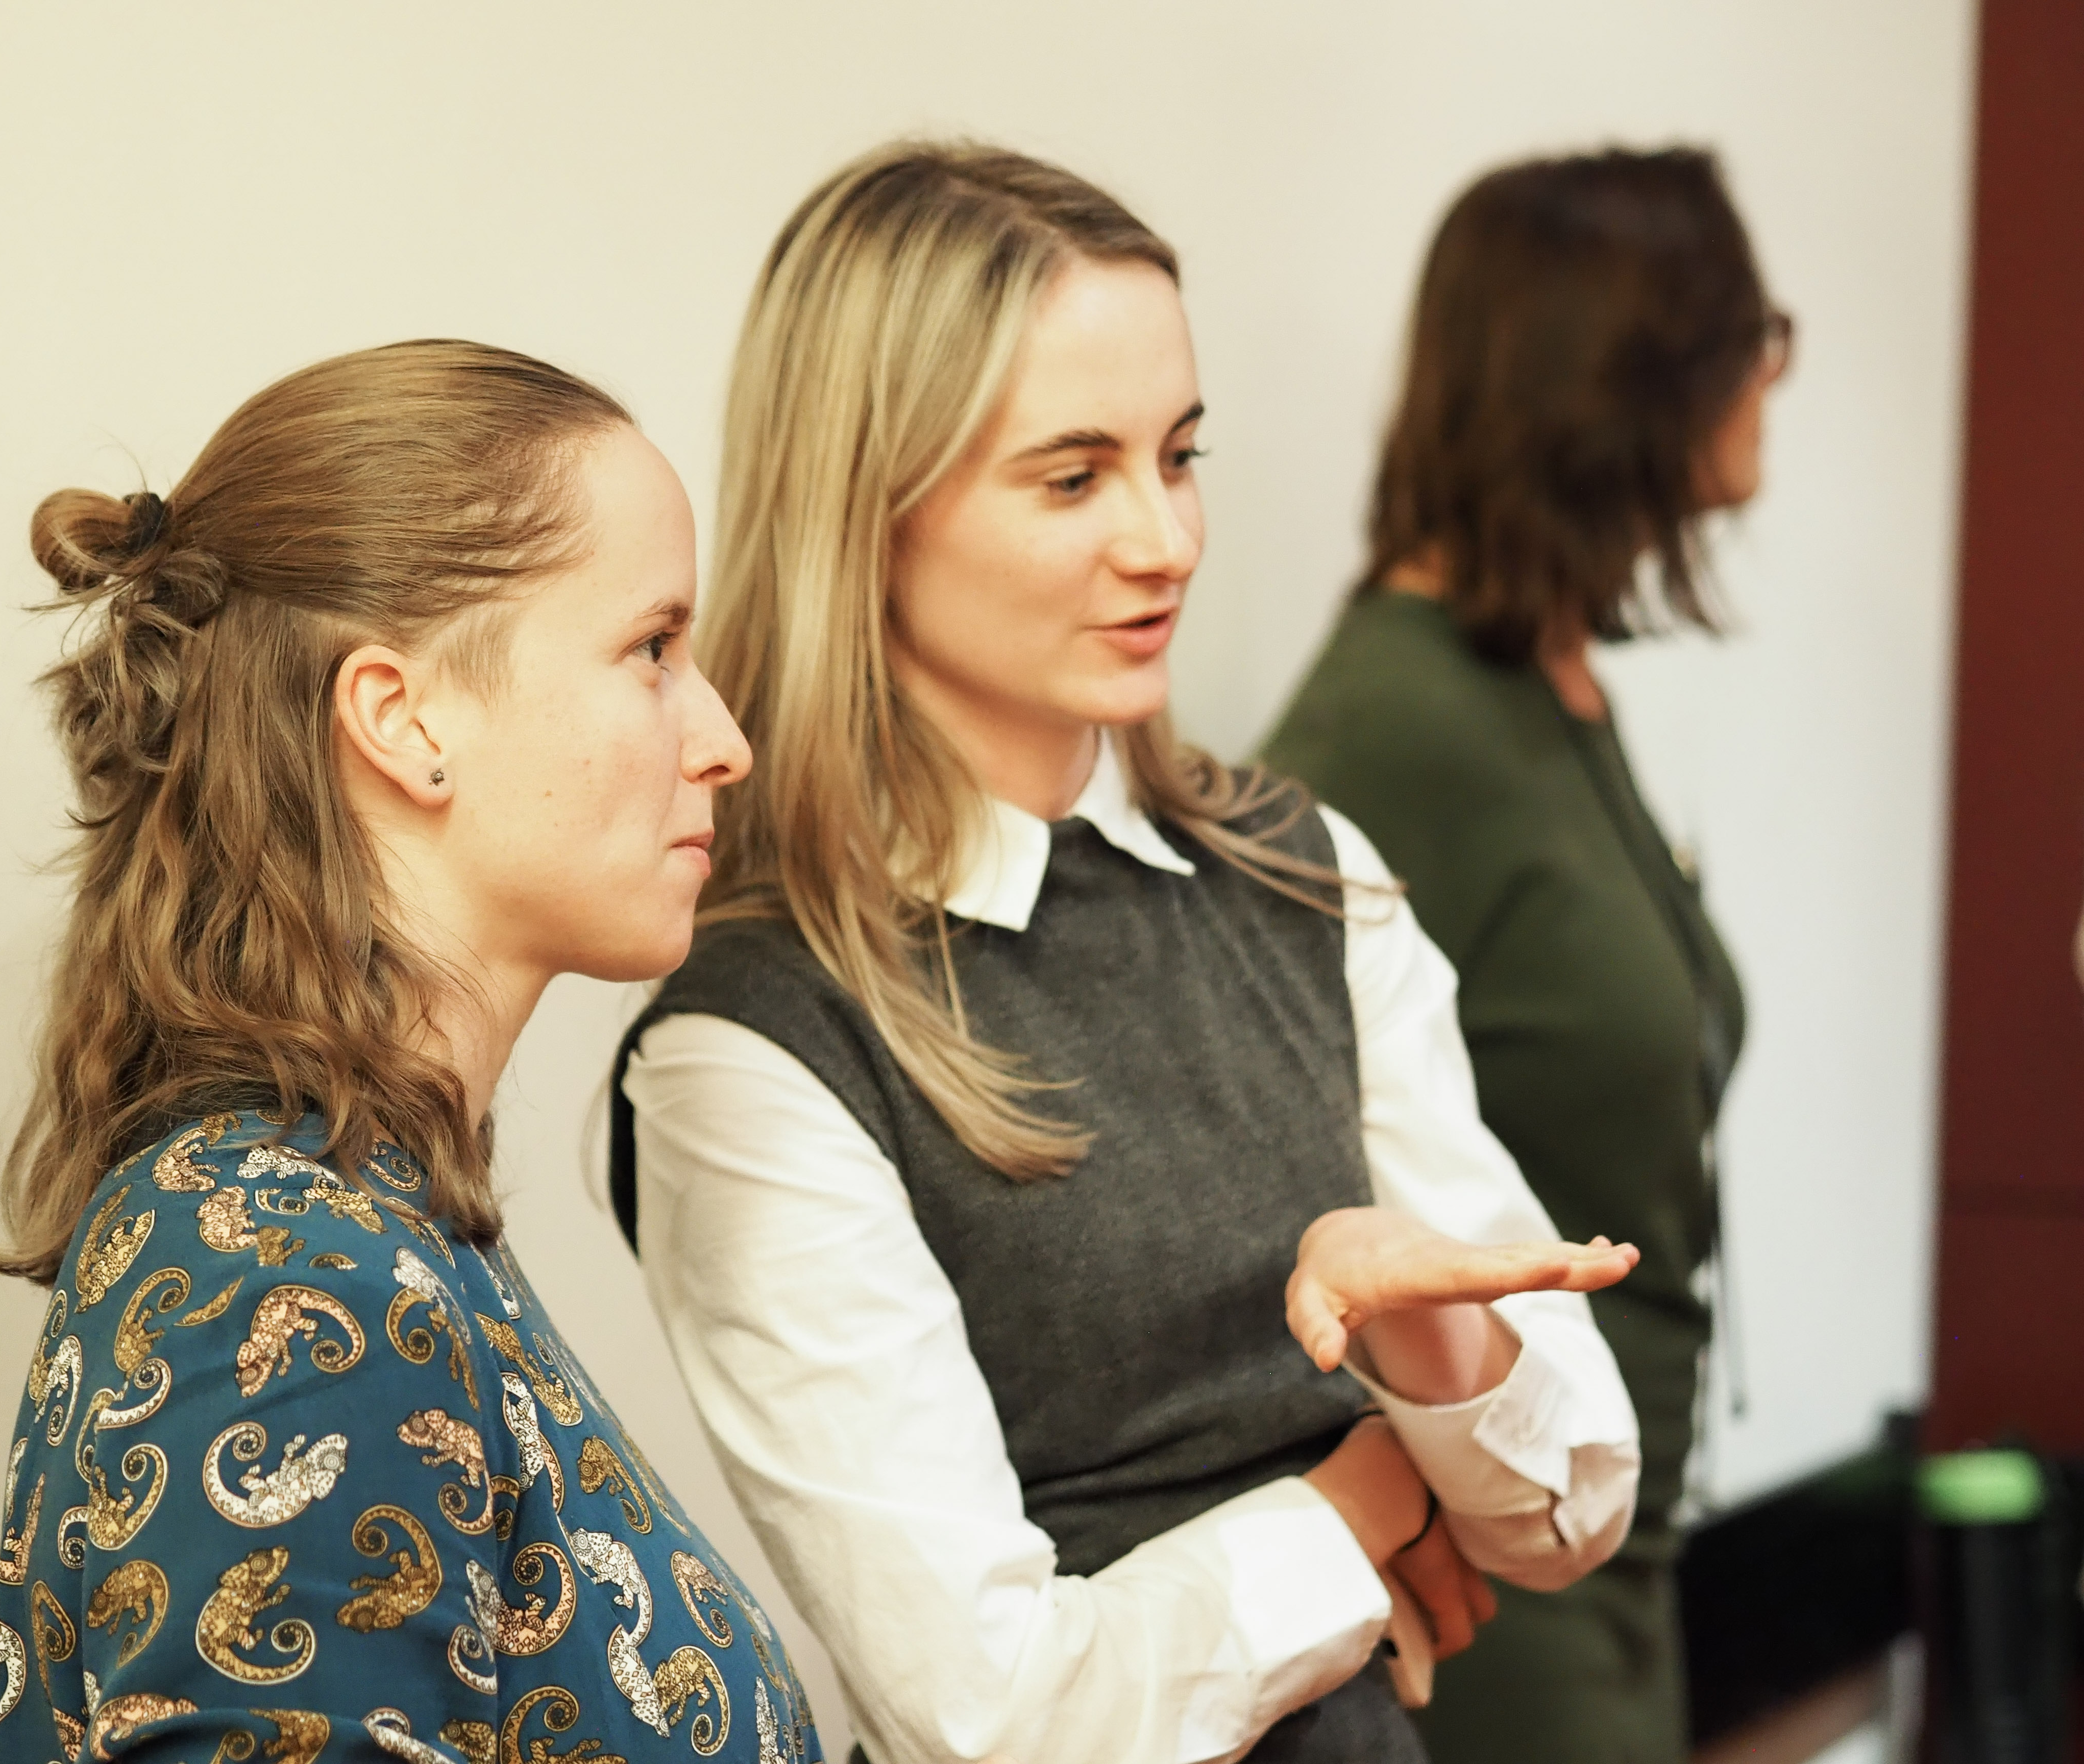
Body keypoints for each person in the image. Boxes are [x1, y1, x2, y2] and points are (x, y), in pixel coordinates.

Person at [607, 142, 1644, 1764]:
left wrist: (1427, 1331)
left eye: (1180, 455)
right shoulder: (751, 1047)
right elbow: (996, 1718)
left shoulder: (1302, 873)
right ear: (870, 510)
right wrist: (1373, 1500)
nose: (1166, 540)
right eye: (1073, 477)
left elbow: (1570, 1507)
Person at [0, 341, 820, 1764]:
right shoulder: (291, 1280)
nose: (725, 740)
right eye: (652, 651)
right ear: (401, 718)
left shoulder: (369, 1223)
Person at [1257, 148, 1782, 1763]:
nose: (1772, 371)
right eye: (1748, 334)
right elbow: (1262, 1164)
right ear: (1627, 383)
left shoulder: (1553, 679)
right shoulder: (1396, 728)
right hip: (1503, 1584)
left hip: (1625, 1537)